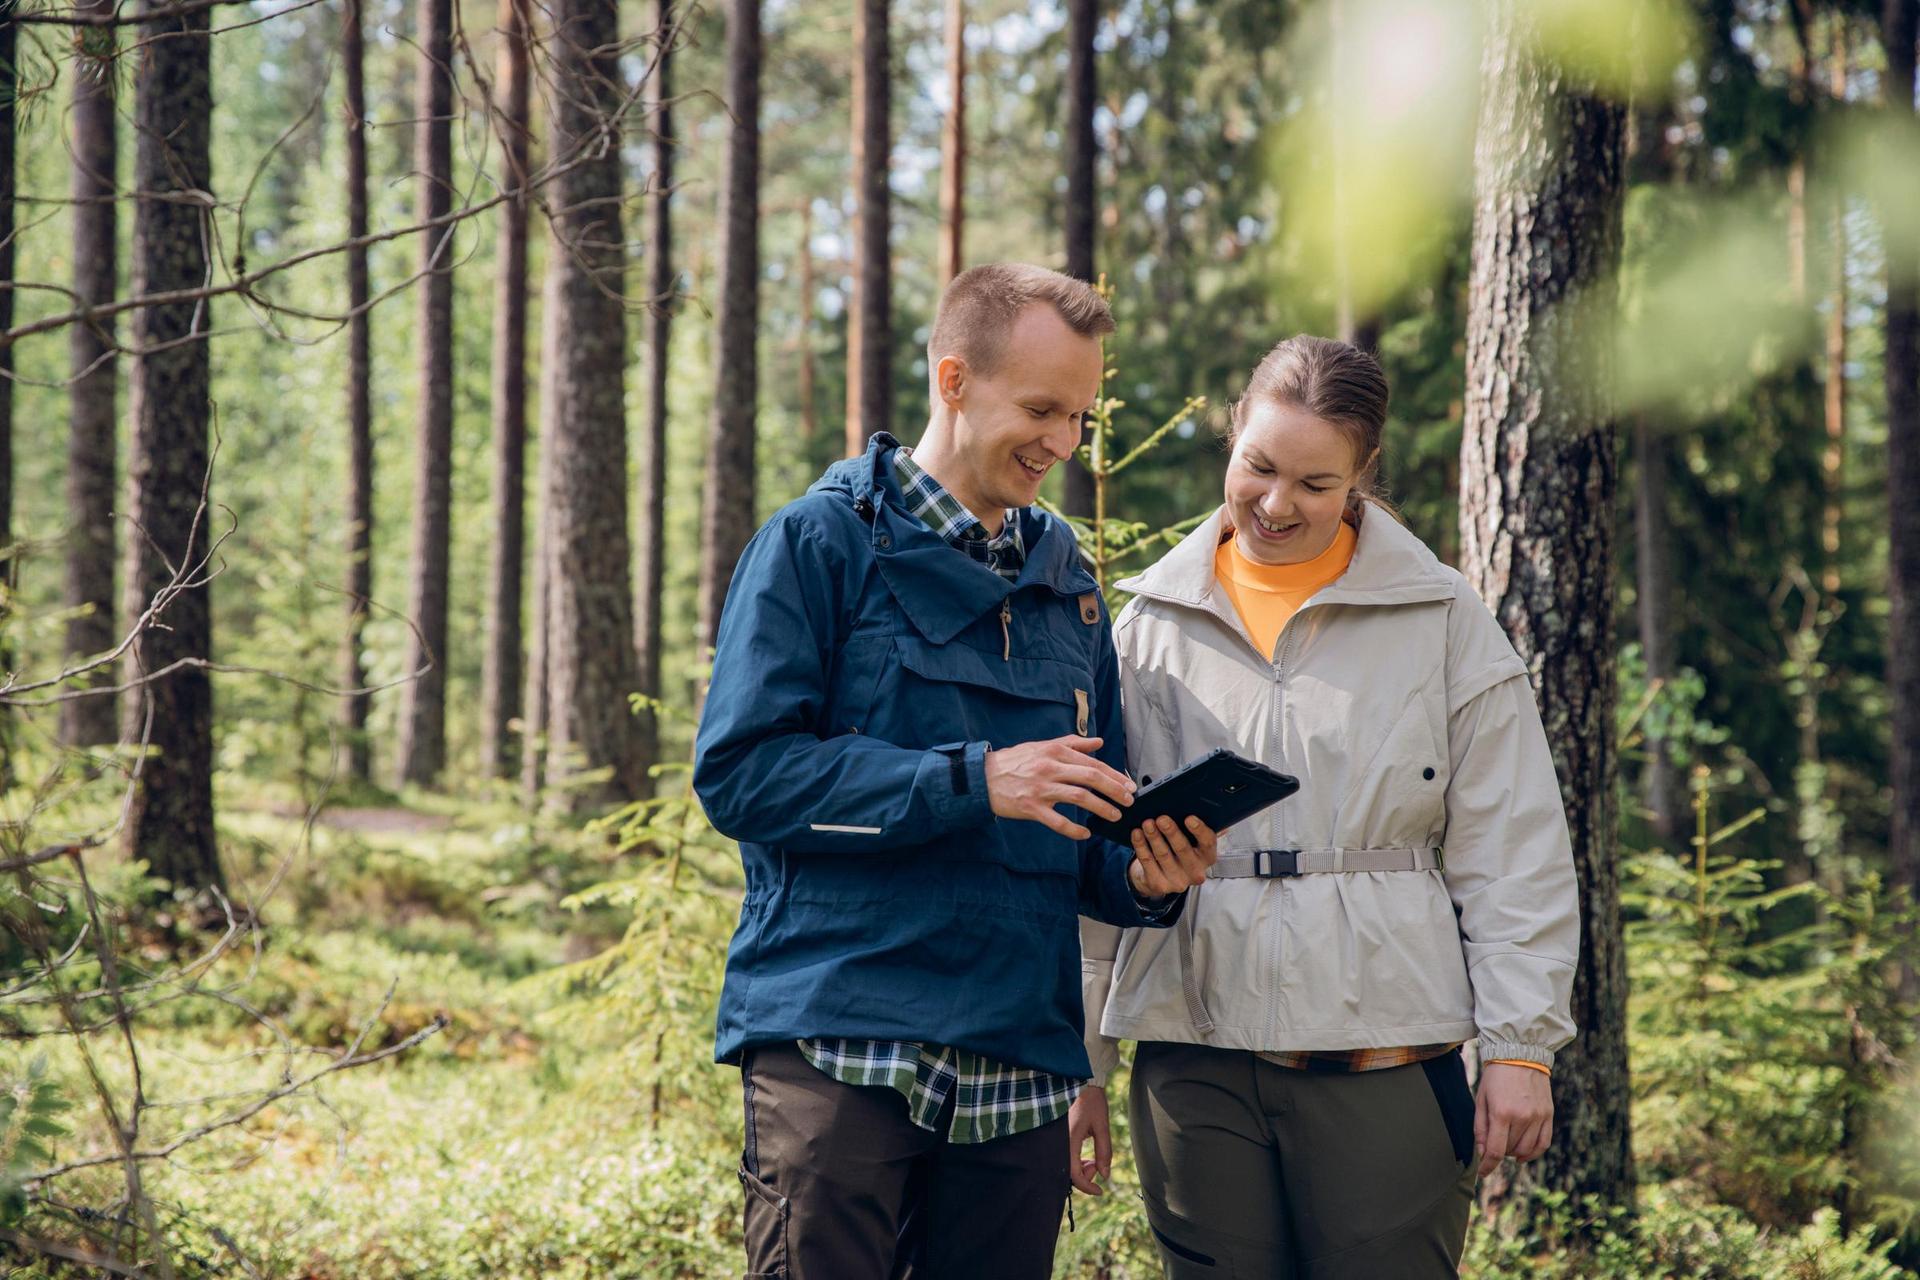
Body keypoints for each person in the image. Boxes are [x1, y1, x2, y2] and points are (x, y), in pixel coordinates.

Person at [693, 262, 1221, 1280]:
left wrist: (1146, 873)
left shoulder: (1067, 582)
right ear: (953, 379)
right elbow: (744, 776)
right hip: (842, 1037)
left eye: (1080, 417)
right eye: (1040, 408)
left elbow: (1085, 841)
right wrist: (973, 777)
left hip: (1018, 1063)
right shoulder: (817, 544)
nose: (1063, 444)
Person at [1070, 335, 1579, 1278]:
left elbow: (1513, 848)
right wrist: (1082, 1065)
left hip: (1386, 1059)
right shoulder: (1146, 625)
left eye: (1314, 481)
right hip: (1194, 1060)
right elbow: (1101, 868)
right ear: (1232, 441)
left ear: (1361, 475)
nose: (1275, 504)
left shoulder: (1441, 620)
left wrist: (1521, 1047)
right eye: (1258, 467)